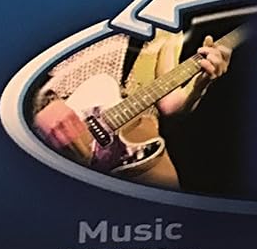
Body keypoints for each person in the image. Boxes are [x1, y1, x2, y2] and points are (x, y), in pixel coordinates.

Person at [31, 29, 233, 189]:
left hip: (135, 143)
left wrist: (199, 85)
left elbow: (170, 104)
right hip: (57, 133)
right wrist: (42, 104)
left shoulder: (164, 20)